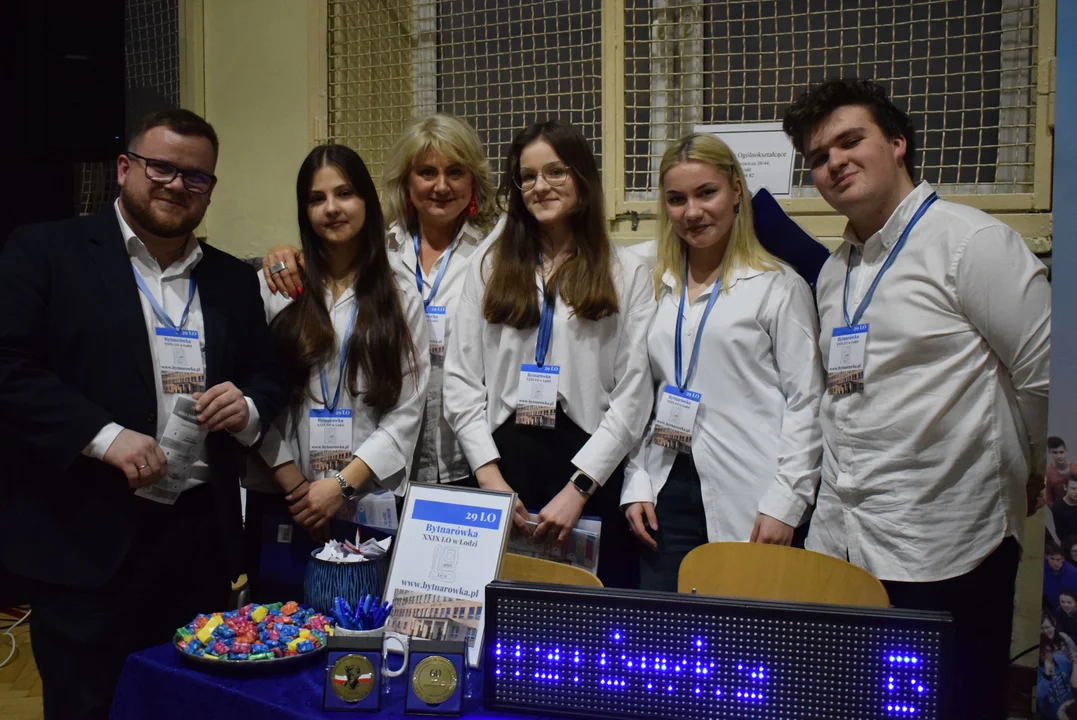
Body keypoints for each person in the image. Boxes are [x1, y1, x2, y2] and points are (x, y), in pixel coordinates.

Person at [0, 109, 287, 719]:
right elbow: (10, 367)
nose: (177, 185)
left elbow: (268, 375)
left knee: (188, 703)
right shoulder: (46, 251)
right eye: (161, 168)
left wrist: (248, 406)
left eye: (196, 176)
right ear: (124, 168)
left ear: (211, 188)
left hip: (197, 542)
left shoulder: (232, 280)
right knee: (87, 705)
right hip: (86, 533)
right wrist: (103, 437)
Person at [782, 78, 1051, 720]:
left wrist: (1031, 468)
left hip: (947, 540)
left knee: (956, 705)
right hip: (846, 540)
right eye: (818, 157)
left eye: (851, 141)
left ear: (898, 143)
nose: (834, 163)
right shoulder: (835, 271)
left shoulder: (971, 243)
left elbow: (1044, 376)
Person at [443, 120, 656, 588]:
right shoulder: (489, 267)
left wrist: (580, 488)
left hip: (587, 472)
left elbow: (634, 394)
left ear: (582, 177)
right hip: (503, 468)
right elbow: (460, 381)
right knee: (503, 612)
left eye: (556, 171)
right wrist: (490, 481)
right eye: (528, 176)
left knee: (590, 616)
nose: (541, 186)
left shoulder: (627, 272)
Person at [619, 133, 824, 592]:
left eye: (706, 193)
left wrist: (787, 502)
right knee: (666, 629)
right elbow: (641, 396)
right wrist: (637, 481)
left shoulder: (778, 286)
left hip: (752, 496)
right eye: (677, 199)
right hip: (664, 495)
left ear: (735, 191)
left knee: (743, 626)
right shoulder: (656, 286)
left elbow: (807, 403)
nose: (692, 212)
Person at [260, 114, 502, 488]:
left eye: (455, 172)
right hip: (374, 458)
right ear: (406, 181)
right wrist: (283, 253)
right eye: (427, 172)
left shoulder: (495, 256)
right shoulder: (381, 250)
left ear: (473, 180)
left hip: (460, 452)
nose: (441, 186)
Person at [243, 144, 430, 600]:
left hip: (367, 502)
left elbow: (408, 408)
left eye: (344, 193)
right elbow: (255, 395)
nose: (331, 208)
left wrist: (341, 486)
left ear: (367, 200)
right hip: (284, 498)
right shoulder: (276, 287)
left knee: (360, 627)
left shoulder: (400, 291)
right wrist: (299, 490)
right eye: (316, 198)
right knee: (277, 628)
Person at [1040, 611, 1077, 720]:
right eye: (1042, 628)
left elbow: (1074, 682)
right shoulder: (1037, 670)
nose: (1045, 631)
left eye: (1047, 627)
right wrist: (1047, 675)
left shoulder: (1062, 658)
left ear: (1054, 626)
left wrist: (1075, 663)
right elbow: (1040, 696)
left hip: (1071, 707)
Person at [1046, 543, 1077, 613]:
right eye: (1052, 559)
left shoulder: (1073, 573)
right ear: (1047, 557)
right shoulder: (1042, 569)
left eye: (1058, 559)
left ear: (1063, 558)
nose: (1055, 563)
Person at [1049, 437, 1077, 508]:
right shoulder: (1049, 474)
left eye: (1061, 452)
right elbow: (1049, 499)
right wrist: (1057, 511)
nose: (1059, 456)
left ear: (1066, 450)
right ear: (1050, 452)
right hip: (1061, 509)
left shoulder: (1075, 468)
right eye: (1055, 452)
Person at [1055, 479, 1077, 550]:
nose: (1076, 492)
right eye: (1073, 488)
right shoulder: (1058, 507)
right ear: (1065, 487)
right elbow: (1061, 534)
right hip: (1068, 547)